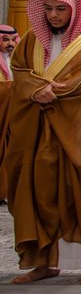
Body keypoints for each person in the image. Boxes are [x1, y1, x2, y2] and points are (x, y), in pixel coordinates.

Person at [6, 0, 81, 284]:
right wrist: (35, 89)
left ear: (75, 10)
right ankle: (45, 262)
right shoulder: (31, 40)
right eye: (48, 9)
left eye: (60, 9)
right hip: (39, 132)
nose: (53, 15)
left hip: (79, 132)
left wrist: (51, 92)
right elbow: (20, 72)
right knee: (40, 194)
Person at [0, 24, 17, 205]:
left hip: (14, 116)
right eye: (5, 40)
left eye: (13, 40)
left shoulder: (18, 60)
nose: (10, 44)